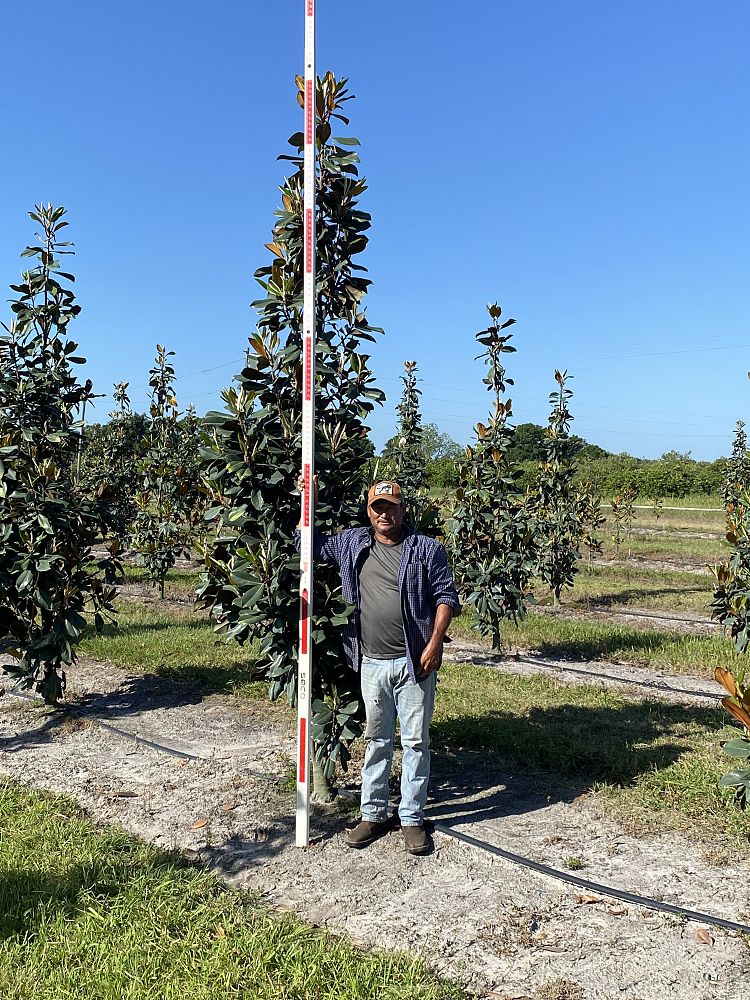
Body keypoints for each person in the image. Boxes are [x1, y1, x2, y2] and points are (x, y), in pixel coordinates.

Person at [299, 479, 460, 855]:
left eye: (391, 506)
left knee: (417, 742)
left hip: (414, 663)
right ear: (368, 511)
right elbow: (307, 546)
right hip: (369, 662)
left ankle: (411, 818)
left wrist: (435, 644)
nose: (384, 513)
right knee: (376, 740)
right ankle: (372, 813)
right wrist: (312, 501)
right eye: (377, 507)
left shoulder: (426, 549)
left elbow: (446, 597)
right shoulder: (353, 543)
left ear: (404, 509)